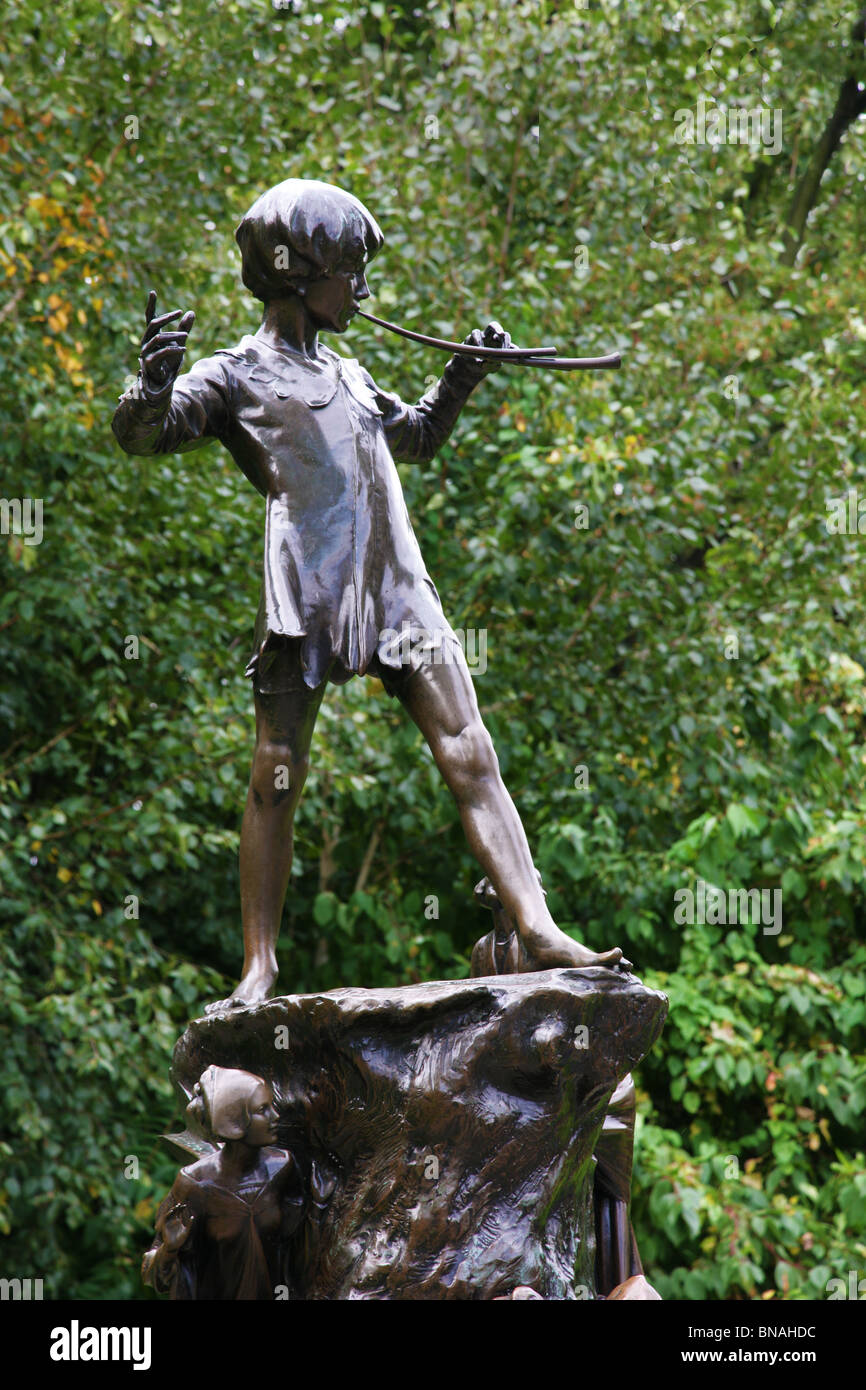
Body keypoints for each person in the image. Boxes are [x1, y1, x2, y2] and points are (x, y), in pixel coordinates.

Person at [112, 178, 626, 1009]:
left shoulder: (350, 375)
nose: (364, 289)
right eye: (352, 269)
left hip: (394, 583)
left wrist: (462, 376)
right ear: (297, 270)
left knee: (471, 748)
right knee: (275, 773)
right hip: (308, 592)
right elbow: (145, 437)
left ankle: (536, 925)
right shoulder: (234, 375)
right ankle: (259, 970)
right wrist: (151, 387)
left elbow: (415, 436)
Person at [142, 1066, 305, 1299]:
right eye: (262, 1110)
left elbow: (299, 1244)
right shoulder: (194, 1184)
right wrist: (170, 1249)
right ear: (235, 1122)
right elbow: (154, 1275)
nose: (275, 1117)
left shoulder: (282, 1168)